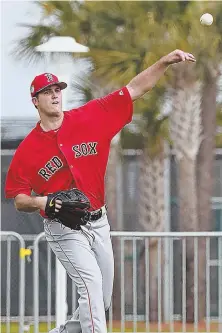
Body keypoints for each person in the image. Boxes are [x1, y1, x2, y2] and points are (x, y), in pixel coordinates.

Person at [5, 49, 195, 333]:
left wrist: (163, 62)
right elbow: (19, 199)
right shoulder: (27, 150)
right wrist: (44, 201)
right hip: (63, 227)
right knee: (91, 283)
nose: (55, 95)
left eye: (57, 89)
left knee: (100, 298)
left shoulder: (92, 116)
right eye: (47, 92)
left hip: (99, 222)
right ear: (35, 101)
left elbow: (134, 89)